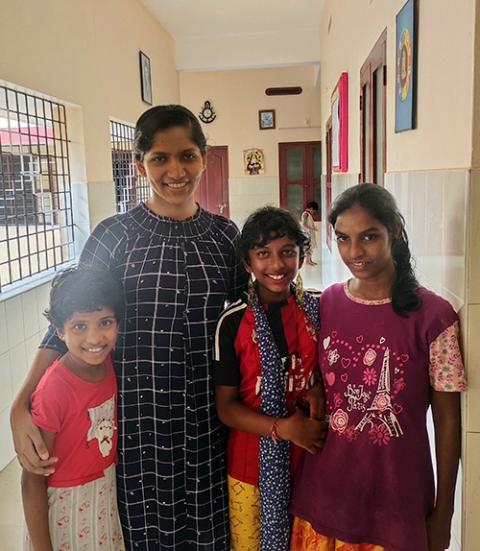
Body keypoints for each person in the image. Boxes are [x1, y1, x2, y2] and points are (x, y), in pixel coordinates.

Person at [11, 105, 248, 550]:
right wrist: (20, 403)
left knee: (210, 533)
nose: (175, 170)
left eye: (187, 156)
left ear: (203, 157)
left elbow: (243, 324)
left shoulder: (224, 238)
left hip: (209, 422)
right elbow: (66, 321)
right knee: (143, 534)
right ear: (140, 164)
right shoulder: (114, 236)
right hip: (137, 423)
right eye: (160, 158)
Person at [290, 184, 467, 551]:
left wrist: (444, 511)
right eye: (343, 238)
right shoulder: (327, 304)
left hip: (397, 503)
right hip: (325, 495)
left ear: (395, 233)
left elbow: (448, 421)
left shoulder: (435, 317)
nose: (355, 252)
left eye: (369, 237)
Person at [213, 206, 327, 551]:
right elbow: (227, 408)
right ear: (247, 263)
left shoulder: (319, 311)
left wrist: (320, 387)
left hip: (311, 462)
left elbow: (332, 369)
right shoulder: (233, 322)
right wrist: (284, 428)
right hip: (249, 471)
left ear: (302, 256)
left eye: (287, 252)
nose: (276, 265)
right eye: (263, 254)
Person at [22, 265, 125, 550]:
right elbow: (32, 480)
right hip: (64, 514)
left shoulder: (109, 364)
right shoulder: (54, 388)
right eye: (80, 326)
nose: (94, 339)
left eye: (105, 322)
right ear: (59, 331)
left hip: (104, 500)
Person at [300, 201, 319, 266]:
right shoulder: (306, 214)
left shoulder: (308, 214)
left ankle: (309, 260)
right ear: (311, 208)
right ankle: (308, 261)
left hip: (309, 233)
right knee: (308, 247)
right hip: (307, 233)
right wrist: (312, 229)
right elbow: (304, 224)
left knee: (310, 247)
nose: (314, 212)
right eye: (314, 211)